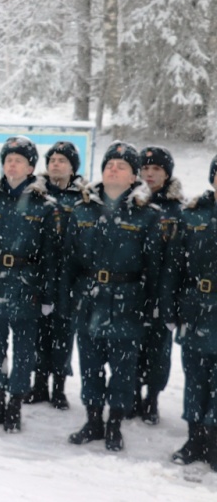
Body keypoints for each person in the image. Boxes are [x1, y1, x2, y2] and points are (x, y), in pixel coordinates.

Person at [61, 141, 163, 452]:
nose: (113, 169)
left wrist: (152, 306)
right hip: (89, 298)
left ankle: (115, 424)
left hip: (128, 301)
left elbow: (155, 267)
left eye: (121, 165)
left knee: (123, 370)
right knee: (90, 366)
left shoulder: (148, 216)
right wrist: (66, 299)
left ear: (134, 177)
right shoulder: (82, 211)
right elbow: (70, 262)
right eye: (108, 165)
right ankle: (93, 421)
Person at [0, 136, 59, 433]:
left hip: (27, 285)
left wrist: (47, 294)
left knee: (23, 350)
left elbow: (50, 255)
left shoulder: (45, 206)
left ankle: (15, 404)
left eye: (19, 159)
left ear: (31, 167)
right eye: (8, 159)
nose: (12, 164)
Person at [161, 154, 217, 472]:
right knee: (196, 378)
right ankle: (194, 437)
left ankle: (215, 440)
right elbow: (174, 266)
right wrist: (170, 307)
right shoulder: (192, 215)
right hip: (196, 308)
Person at [24, 141, 87, 411]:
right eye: (51, 160)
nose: (55, 164)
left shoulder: (83, 197)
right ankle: (39, 383)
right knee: (39, 329)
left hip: (69, 274)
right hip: (39, 272)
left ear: (73, 167)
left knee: (64, 330)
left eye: (62, 160)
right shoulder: (34, 194)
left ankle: (59, 387)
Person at [129, 145, 182, 425]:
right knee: (132, 345)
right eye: (145, 169)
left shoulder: (177, 209)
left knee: (158, 349)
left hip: (164, 289)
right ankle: (133, 393)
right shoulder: (132, 203)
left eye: (156, 169)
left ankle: (153, 398)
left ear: (167, 173)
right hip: (134, 287)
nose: (150, 174)